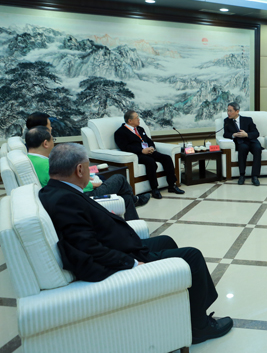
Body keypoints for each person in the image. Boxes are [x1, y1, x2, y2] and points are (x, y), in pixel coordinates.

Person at [38, 143, 233, 344]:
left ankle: (181, 308)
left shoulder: (55, 191)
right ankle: (200, 327)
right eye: (88, 167)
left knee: (166, 240)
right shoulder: (64, 200)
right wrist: (129, 263)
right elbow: (87, 248)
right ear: (80, 169)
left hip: (121, 246)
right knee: (192, 256)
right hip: (121, 256)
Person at [26, 126, 149, 220]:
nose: (54, 143)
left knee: (125, 198)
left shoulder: (31, 160)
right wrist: (93, 185)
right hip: (82, 197)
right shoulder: (45, 164)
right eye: (53, 139)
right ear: (45, 143)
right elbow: (67, 186)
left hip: (72, 196)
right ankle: (135, 199)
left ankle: (133, 208)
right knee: (119, 179)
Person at [114, 110, 184, 199]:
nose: (139, 119)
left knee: (166, 158)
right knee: (150, 162)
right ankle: (154, 189)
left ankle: (172, 185)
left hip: (148, 151)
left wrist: (151, 147)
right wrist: (141, 150)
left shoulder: (140, 129)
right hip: (136, 155)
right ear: (130, 121)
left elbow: (148, 140)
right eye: (136, 118)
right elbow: (125, 147)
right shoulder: (120, 132)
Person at [222, 102, 262, 186]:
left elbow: (256, 133)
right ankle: (242, 175)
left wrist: (246, 134)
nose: (228, 113)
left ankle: (255, 176)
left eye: (230, 111)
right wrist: (233, 135)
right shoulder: (227, 121)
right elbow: (225, 134)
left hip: (251, 141)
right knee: (242, 148)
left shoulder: (248, 120)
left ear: (237, 111)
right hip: (240, 142)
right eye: (227, 110)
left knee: (258, 148)